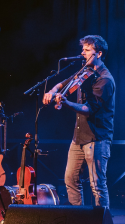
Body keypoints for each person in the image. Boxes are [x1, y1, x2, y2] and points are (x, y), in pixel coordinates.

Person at [43, 35, 115, 207]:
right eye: (83, 49)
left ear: (98, 54)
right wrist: (51, 92)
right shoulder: (84, 71)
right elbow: (61, 85)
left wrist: (66, 103)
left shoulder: (104, 79)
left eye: (87, 50)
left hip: (96, 138)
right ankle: (79, 218)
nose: (82, 53)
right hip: (79, 137)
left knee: (97, 185)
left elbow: (89, 109)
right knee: (70, 179)